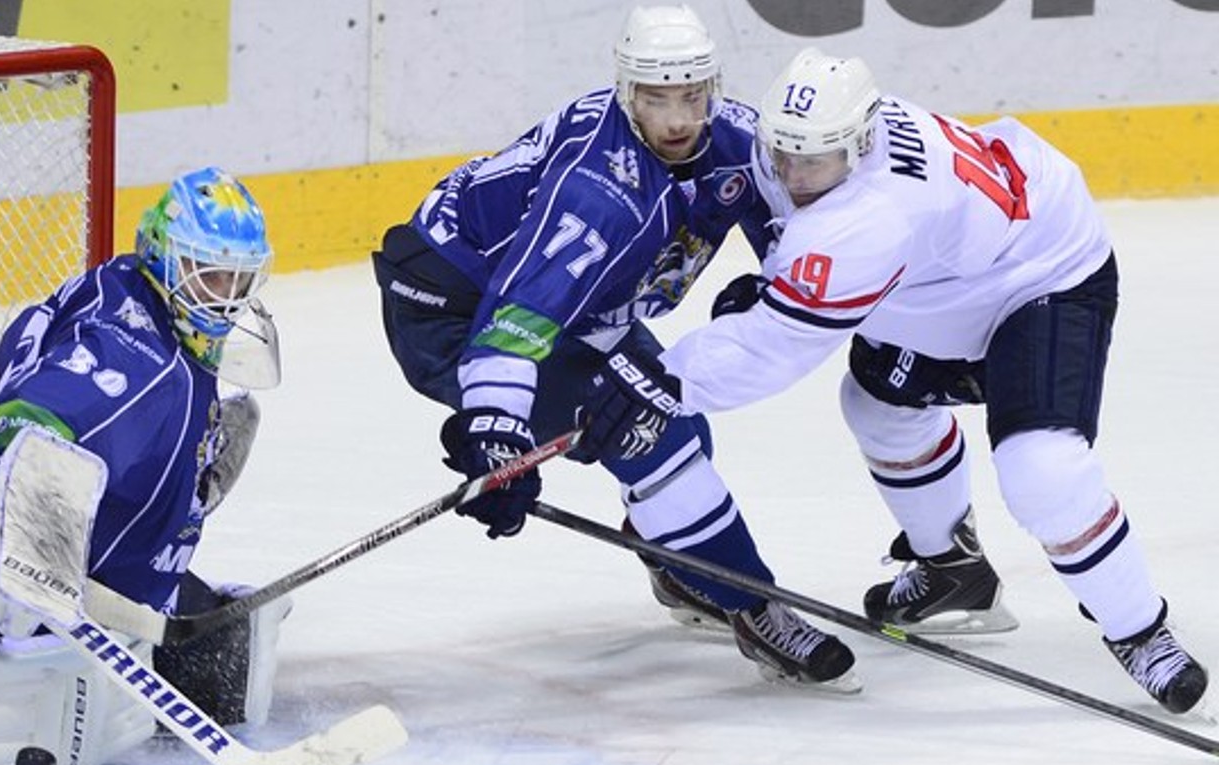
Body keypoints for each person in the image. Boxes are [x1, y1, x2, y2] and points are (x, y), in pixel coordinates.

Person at [582, 47, 1209, 714]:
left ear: (858, 146)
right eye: (783, 151)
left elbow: (775, 348)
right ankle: (953, 568)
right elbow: (791, 231)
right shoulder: (833, 145)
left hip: (1042, 274)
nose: (793, 173)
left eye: (813, 159)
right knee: (878, 405)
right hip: (952, 280)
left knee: (1043, 469)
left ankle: (1142, 632)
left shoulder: (873, 215)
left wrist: (655, 379)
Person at [371, 5, 857, 692]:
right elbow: (517, 320)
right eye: (657, 100)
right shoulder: (600, 196)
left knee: (678, 420)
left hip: (579, 303)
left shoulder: (739, 139)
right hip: (453, 307)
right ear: (628, 92)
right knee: (652, 435)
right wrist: (497, 429)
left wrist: (777, 287)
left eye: (692, 95)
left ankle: (681, 564)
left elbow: (797, 224)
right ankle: (753, 603)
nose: (679, 119)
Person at [0, 167, 292, 764]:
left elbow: (16, 345)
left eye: (238, 278)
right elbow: (16, 421)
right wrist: (33, 550)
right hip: (46, 577)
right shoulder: (137, 363)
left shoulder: (126, 284)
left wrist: (185, 478)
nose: (223, 296)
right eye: (208, 274)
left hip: (109, 552)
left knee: (226, 644)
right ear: (166, 256)